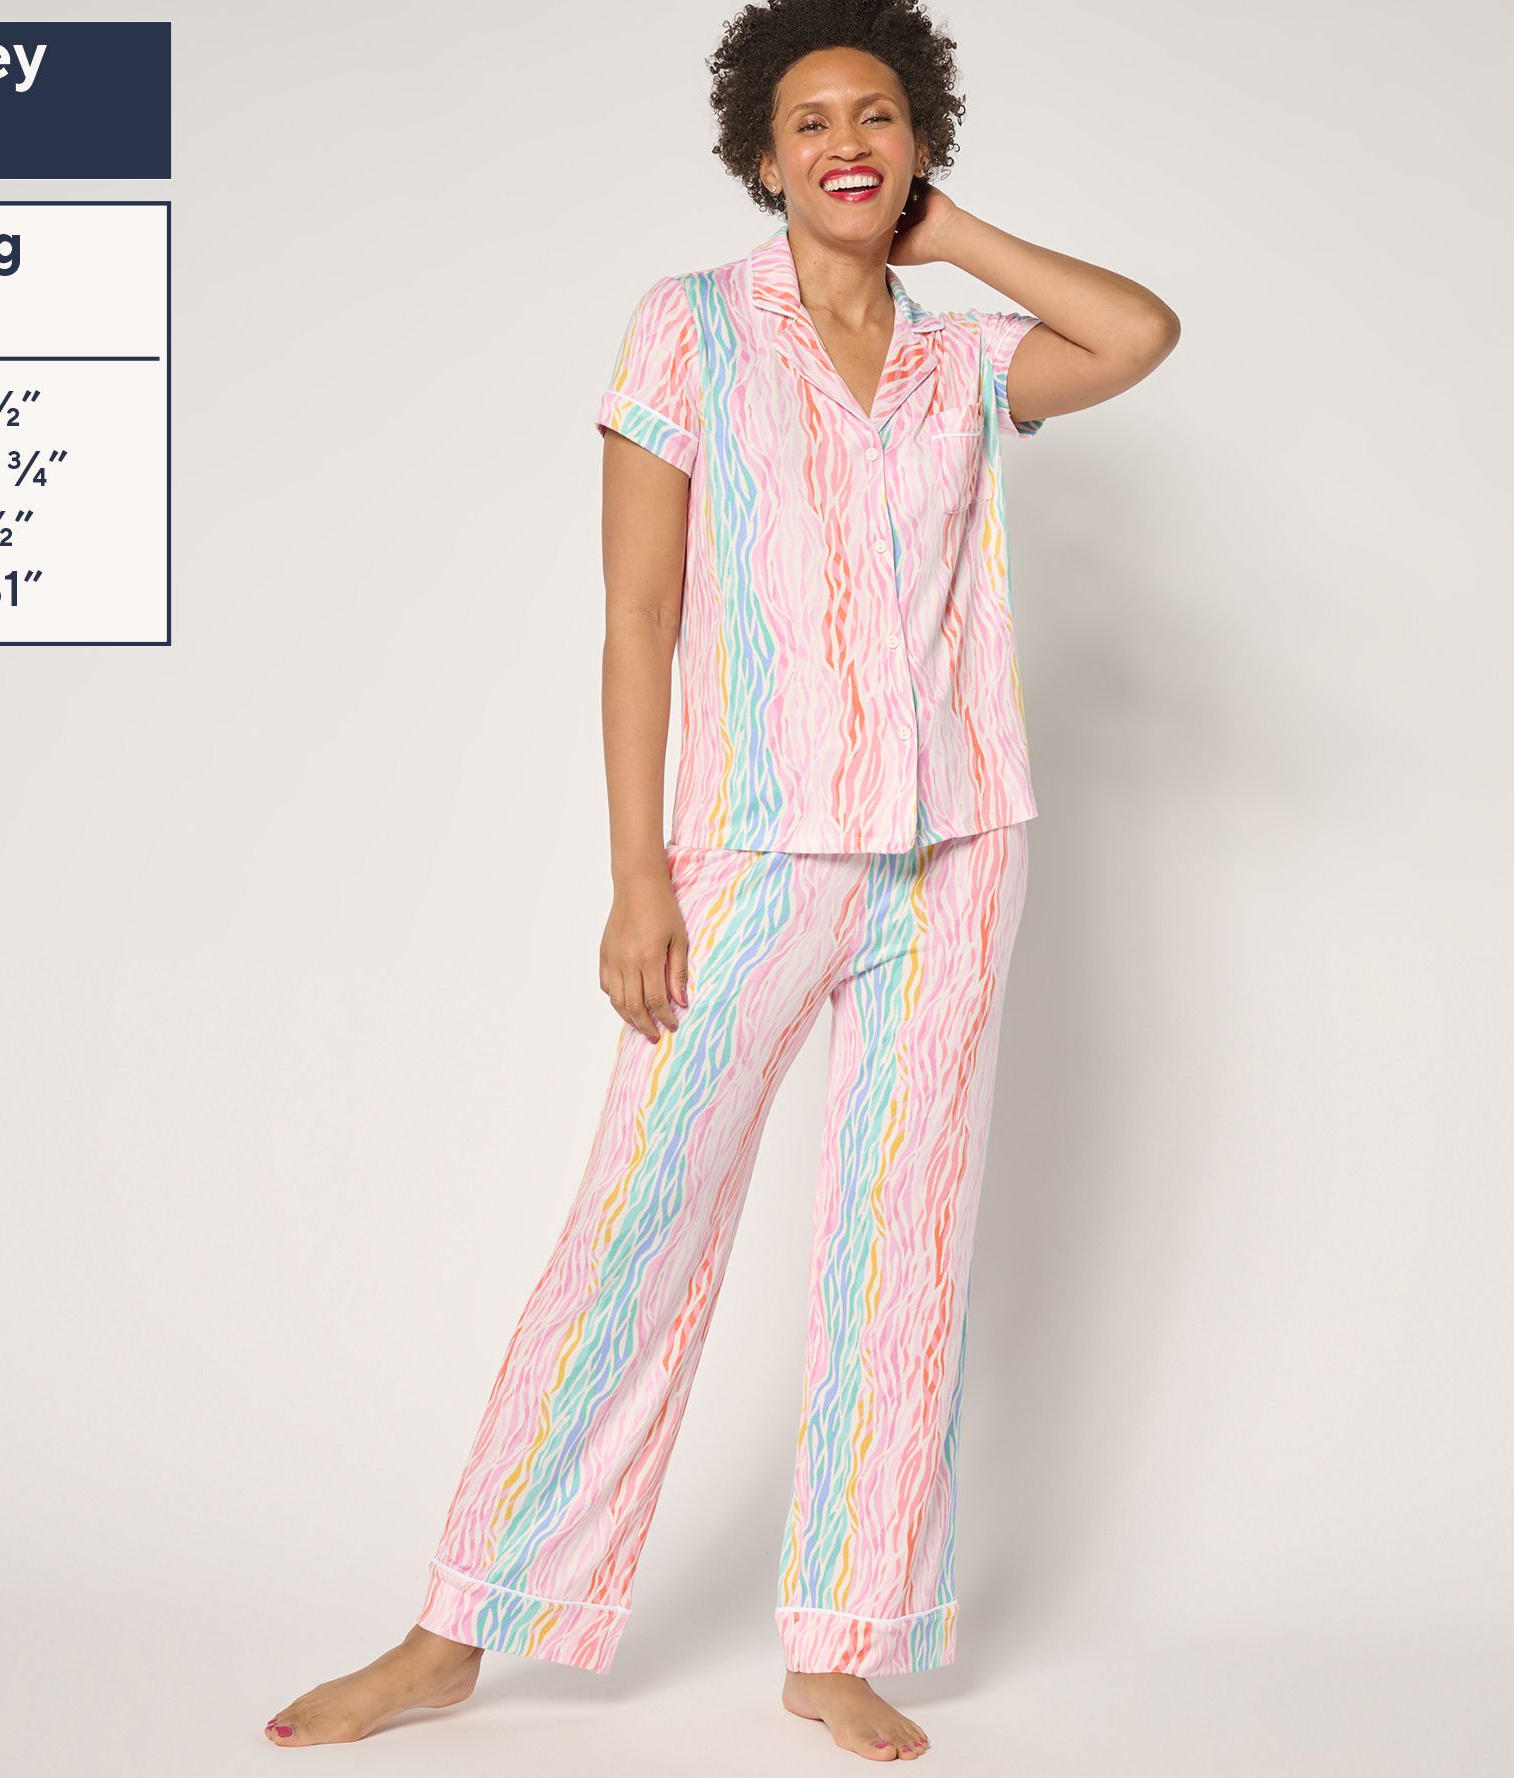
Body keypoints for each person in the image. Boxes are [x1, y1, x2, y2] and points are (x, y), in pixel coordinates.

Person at [263, 0, 1178, 1760]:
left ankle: (844, 1637)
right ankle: (461, 1623)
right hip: (752, 847)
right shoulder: (687, 326)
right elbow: (637, 612)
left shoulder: (961, 358)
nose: (848, 138)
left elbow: (1138, 333)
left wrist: (955, 237)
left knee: (905, 1248)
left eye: (881, 114)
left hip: (956, 849)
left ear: (920, 147)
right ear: (761, 154)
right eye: (812, 117)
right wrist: (638, 874)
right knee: (636, 1226)